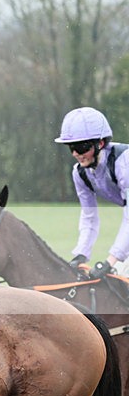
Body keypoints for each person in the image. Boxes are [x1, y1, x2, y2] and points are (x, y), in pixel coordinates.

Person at [54, 107, 129, 279]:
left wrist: (110, 261)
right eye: (71, 147)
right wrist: (80, 254)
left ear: (100, 143)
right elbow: (89, 216)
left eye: (81, 147)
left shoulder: (124, 163)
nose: (76, 154)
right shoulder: (80, 173)